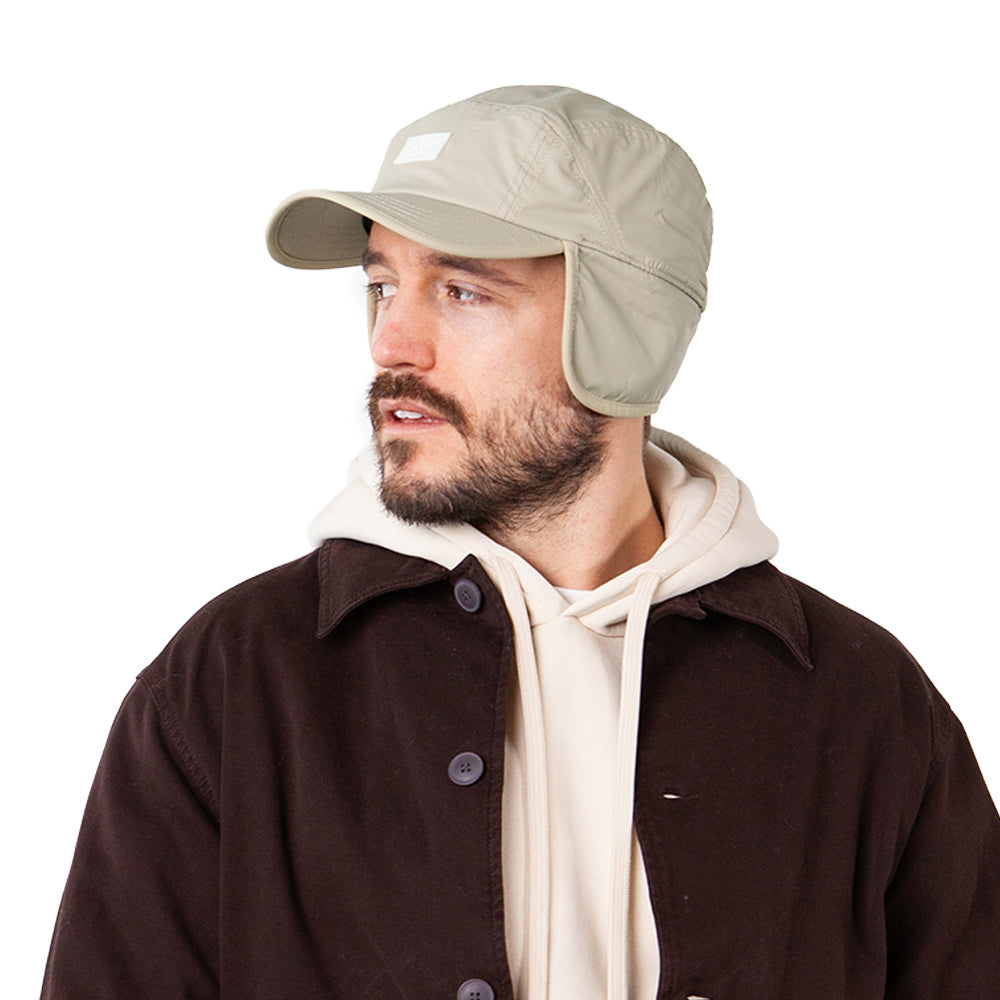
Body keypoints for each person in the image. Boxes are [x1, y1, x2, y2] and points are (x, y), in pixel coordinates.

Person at [41, 86, 999, 1000]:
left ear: (627, 333)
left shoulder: (858, 701)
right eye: (382, 285)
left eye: (462, 291)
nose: (391, 344)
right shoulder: (238, 682)